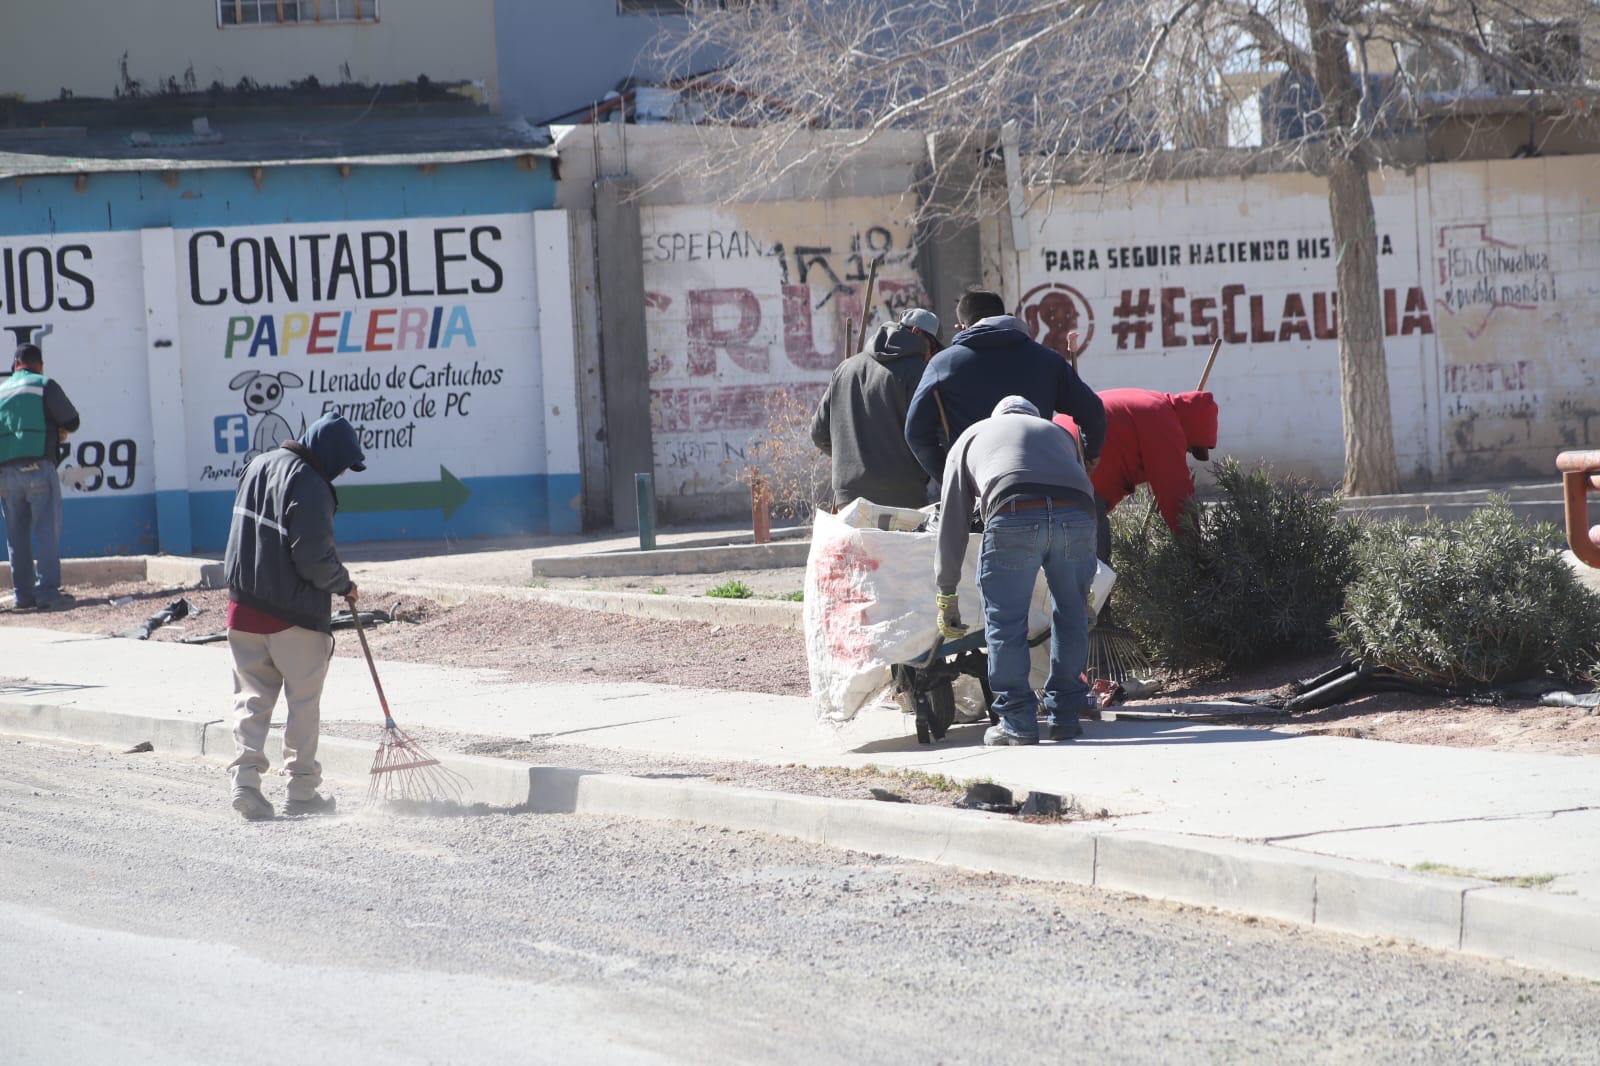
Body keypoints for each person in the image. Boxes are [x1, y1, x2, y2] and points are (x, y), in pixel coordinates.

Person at [223, 412, 366, 821]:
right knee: (302, 702)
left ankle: (245, 782)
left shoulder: (257, 466)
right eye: (342, 464)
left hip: (242, 609)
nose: (340, 473)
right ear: (330, 453)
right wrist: (343, 584)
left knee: (252, 698)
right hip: (294, 614)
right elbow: (312, 559)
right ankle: (301, 790)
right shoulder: (311, 482)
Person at [934, 396, 1098, 746]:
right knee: (1071, 615)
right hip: (1078, 515)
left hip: (1014, 511)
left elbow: (952, 524)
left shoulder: (972, 436)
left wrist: (946, 591)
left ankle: (1017, 721)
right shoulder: (1059, 434)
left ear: (998, 417)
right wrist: (1086, 587)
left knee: (1006, 620)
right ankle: (1066, 716)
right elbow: (1084, 488)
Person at [905, 289, 1105, 486]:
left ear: (961, 327)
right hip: (1040, 485)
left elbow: (916, 433)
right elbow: (1094, 414)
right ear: (1006, 316)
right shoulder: (1048, 360)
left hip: (979, 492)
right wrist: (1087, 462)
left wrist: (953, 481)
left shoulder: (943, 365)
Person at [1063, 387, 1219, 564]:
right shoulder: (1162, 421)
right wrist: (1197, 556)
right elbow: (1176, 496)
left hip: (1055, 457)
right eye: (1190, 448)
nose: (1185, 452)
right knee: (1093, 572)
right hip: (1074, 475)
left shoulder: (1152, 403)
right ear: (1189, 430)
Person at [810, 307, 941, 510]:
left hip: (849, 498)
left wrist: (850, 461)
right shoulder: (920, 373)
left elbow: (819, 434)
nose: (931, 356)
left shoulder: (846, 368)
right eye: (933, 347)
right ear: (916, 333)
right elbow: (932, 434)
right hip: (903, 496)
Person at [0, 342, 80, 611]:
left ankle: (23, 596)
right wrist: (54, 428)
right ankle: (47, 594)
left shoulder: (1, 390)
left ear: (15, 366)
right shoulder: (43, 384)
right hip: (37, 468)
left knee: (16, 535)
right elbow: (72, 421)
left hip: (6, 473)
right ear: (39, 365)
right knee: (46, 530)